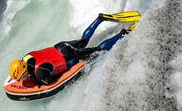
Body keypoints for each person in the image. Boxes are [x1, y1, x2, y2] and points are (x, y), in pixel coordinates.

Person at [8, 13, 137, 86]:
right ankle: (100, 19)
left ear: (25, 71)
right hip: (60, 46)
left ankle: (122, 33)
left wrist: (73, 62)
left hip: (68, 56)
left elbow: (52, 81)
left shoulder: (39, 74)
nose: (22, 80)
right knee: (83, 41)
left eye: (21, 77)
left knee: (98, 50)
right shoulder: (26, 57)